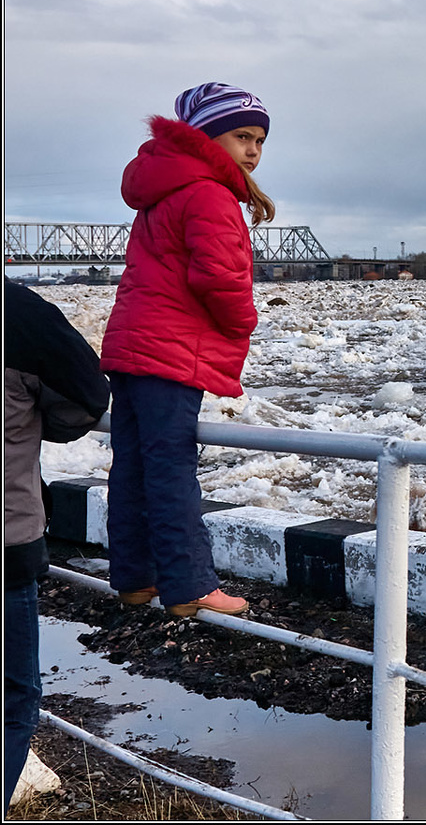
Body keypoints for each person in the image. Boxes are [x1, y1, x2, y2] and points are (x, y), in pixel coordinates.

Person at [100, 82, 276, 618]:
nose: (252, 150)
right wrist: (244, 322)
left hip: (133, 342)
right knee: (174, 467)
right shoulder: (209, 193)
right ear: (205, 136)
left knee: (132, 465)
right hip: (170, 350)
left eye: (261, 140)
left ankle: (135, 578)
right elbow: (218, 277)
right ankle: (190, 585)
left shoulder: (164, 189)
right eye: (241, 135)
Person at [4, 279, 111, 810]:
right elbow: (87, 400)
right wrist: (30, 418)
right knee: (11, 700)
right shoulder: (18, 313)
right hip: (5, 546)